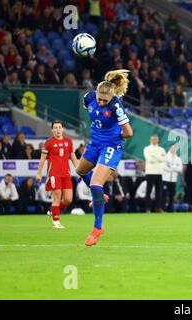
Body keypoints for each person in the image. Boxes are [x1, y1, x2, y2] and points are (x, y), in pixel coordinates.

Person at [75, 69, 134, 246]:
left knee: (94, 183)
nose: (101, 103)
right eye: (99, 99)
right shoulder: (89, 98)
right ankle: (100, 196)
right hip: (94, 144)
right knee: (80, 170)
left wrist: (116, 138)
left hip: (111, 147)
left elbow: (129, 132)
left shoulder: (115, 105)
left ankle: (97, 227)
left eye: (104, 101)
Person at [36, 120, 79, 228]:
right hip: (54, 174)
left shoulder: (68, 142)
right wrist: (39, 173)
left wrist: (78, 169)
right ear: (52, 130)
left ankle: (53, 211)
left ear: (62, 129)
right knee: (57, 199)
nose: (58, 130)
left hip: (66, 174)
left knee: (68, 199)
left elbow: (73, 157)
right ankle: (56, 222)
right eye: (55, 128)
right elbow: (42, 159)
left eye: (59, 127)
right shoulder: (49, 142)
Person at [143, 134, 166, 213]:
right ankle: (148, 208)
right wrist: (158, 158)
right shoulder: (147, 149)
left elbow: (163, 159)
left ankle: (159, 208)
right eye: (152, 139)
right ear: (150, 140)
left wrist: (154, 156)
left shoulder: (162, 149)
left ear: (158, 140)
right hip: (150, 172)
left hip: (159, 172)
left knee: (158, 192)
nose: (154, 140)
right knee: (148, 191)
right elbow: (149, 159)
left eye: (155, 139)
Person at [162, 143, 183, 212]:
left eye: (175, 148)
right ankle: (162, 209)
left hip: (173, 180)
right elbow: (164, 167)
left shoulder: (178, 159)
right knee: (164, 195)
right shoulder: (165, 157)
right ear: (169, 148)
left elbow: (180, 169)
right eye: (172, 148)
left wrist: (172, 167)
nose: (174, 149)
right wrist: (173, 169)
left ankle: (170, 209)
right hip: (165, 179)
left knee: (171, 195)